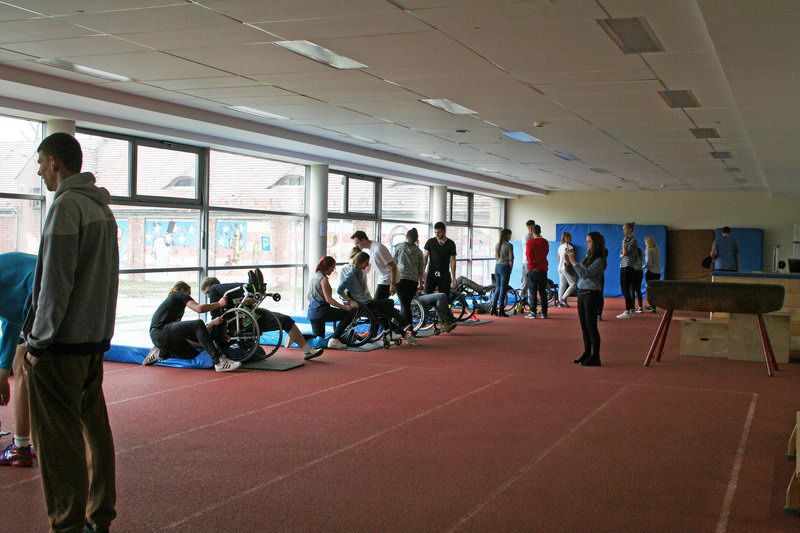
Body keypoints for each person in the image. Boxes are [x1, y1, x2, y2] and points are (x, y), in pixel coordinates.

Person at [23, 132, 119, 532]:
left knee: (58, 443)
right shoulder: (102, 210)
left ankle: (67, 524)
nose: (39, 172)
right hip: (92, 344)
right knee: (95, 433)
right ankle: (99, 516)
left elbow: (55, 284)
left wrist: (37, 343)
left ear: (55, 162)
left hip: (62, 347)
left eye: (40, 164)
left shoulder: (65, 208)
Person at [199, 277, 324, 361]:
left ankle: (307, 350)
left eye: (208, 292)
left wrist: (249, 300)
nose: (208, 296)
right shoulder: (216, 302)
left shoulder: (228, 294)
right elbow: (213, 319)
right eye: (206, 294)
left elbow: (250, 303)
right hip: (234, 326)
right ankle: (248, 287)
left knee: (285, 320)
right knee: (257, 352)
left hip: (251, 318)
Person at [147, 282, 241, 372]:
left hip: (160, 337)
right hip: (160, 331)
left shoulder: (174, 307)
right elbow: (199, 308)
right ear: (183, 290)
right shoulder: (179, 294)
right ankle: (219, 362)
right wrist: (219, 304)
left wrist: (211, 324)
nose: (189, 296)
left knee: (191, 354)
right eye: (189, 294)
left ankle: (161, 353)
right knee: (198, 323)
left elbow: (192, 334)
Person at [0, 252, 36, 468]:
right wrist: (3, 370)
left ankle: (21, 448)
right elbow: (11, 317)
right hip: (49, 295)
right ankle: (33, 443)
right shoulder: (7, 269)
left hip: (40, 299)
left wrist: (3, 370)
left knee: (23, 365)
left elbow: (13, 319)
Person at [394, 228, 457, 335]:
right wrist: (420, 284)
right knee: (407, 305)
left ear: (406, 236)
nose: (437, 234)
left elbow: (393, 264)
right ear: (416, 239)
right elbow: (421, 270)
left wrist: (392, 282)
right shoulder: (418, 251)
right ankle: (410, 329)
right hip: (413, 283)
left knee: (405, 305)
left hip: (401, 281)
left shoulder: (399, 247)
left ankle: (443, 322)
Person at [338, 252, 410, 340]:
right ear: (360, 262)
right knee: (390, 303)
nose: (367, 265)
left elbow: (363, 290)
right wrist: (350, 301)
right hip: (362, 304)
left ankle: (395, 330)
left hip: (366, 301)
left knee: (385, 311)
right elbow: (339, 290)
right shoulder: (350, 275)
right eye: (366, 262)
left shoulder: (360, 272)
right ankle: (397, 327)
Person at [566, 231, 607, 367]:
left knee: (591, 326)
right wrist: (569, 262)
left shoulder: (600, 260)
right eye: (586, 241)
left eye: (589, 241)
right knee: (584, 326)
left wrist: (573, 261)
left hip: (592, 294)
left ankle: (596, 357)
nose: (586, 244)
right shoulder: (587, 257)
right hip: (582, 293)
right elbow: (576, 272)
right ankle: (587, 353)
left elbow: (584, 274)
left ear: (596, 243)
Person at [307, 256, 358, 349]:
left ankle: (297, 338)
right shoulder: (323, 279)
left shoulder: (314, 276)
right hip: (322, 312)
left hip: (312, 313)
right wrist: (345, 307)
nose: (333, 270)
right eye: (333, 268)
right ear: (328, 267)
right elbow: (329, 300)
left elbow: (308, 296)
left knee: (319, 341)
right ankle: (335, 339)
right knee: (348, 314)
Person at [351, 231, 398, 300]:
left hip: (389, 278)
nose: (356, 246)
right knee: (379, 303)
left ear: (363, 240)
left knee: (376, 303)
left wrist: (392, 284)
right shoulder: (367, 250)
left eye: (357, 243)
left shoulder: (378, 249)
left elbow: (392, 266)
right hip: (383, 277)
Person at [423, 222, 457, 294]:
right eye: (435, 232)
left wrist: (453, 277)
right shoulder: (430, 242)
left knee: (445, 296)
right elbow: (425, 257)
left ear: (444, 231)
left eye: (439, 232)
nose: (437, 234)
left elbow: (452, 261)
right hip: (431, 273)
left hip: (444, 274)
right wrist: (422, 271)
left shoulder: (451, 244)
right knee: (427, 295)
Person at [525, 224, 549, 319]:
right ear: (540, 231)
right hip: (543, 269)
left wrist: (531, 266)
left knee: (533, 292)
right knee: (543, 292)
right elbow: (546, 253)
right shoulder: (545, 242)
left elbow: (528, 255)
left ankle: (533, 312)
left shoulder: (530, 242)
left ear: (532, 232)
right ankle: (544, 313)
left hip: (533, 270)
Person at [617, 222, 639, 319]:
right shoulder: (627, 239)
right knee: (625, 289)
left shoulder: (632, 240)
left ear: (630, 229)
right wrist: (622, 254)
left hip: (628, 266)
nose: (624, 231)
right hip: (624, 265)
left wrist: (623, 243)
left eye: (625, 228)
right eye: (623, 229)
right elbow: (621, 254)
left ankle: (627, 310)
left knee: (625, 288)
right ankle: (631, 309)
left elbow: (624, 253)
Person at [491, 228, 514, 317]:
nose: (510, 236)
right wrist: (510, 270)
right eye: (510, 235)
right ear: (507, 235)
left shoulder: (497, 245)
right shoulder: (509, 245)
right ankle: (501, 310)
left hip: (497, 267)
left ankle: (493, 308)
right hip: (505, 267)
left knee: (498, 288)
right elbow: (511, 259)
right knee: (503, 289)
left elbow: (496, 257)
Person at [557, 232, 577, 308]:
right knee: (573, 284)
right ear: (566, 238)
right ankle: (562, 299)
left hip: (560, 268)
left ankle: (560, 302)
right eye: (569, 237)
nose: (571, 239)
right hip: (566, 267)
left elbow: (558, 259)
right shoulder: (570, 247)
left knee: (562, 285)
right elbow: (571, 259)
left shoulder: (560, 247)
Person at [643, 236, 661, 313]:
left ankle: (653, 308)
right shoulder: (657, 249)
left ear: (648, 243)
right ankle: (652, 306)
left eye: (645, 242)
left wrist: (642, 267)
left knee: (650, 290)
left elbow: (648, 263)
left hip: (650, 272)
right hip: (657, 272)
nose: (645, 243)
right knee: (655, 290)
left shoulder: (649, 251)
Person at [520, 219, 535, 294]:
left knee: (533, 282)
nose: (531, 229)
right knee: (525, 282)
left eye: (532, 228)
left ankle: (530, 298)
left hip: (535, 262)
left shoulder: (537, 236)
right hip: (526, 262)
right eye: (529, 228)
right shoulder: (525, 236)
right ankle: (521, 297)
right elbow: (528, 247)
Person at [631, 242, 645, 313]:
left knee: (632, 290)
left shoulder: (632, 252)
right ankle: (640, 307)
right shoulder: (639, 251)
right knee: (638, 290)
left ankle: (632, 307)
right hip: (640, 271)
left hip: (633, 271)